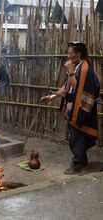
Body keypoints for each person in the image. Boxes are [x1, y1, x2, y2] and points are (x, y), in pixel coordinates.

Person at [41, 42, 100, 175]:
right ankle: (81, 161)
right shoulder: (78, 66)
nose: (68, 56)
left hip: (82, 111)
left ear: (78, 55)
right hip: (74, 109)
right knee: (75, 136)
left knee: (78, 137)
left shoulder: (85, 70)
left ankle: (79, 163)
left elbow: (79, 89)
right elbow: (68, 86)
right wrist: (51, 97)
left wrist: (71, 72)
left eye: (70, 53)